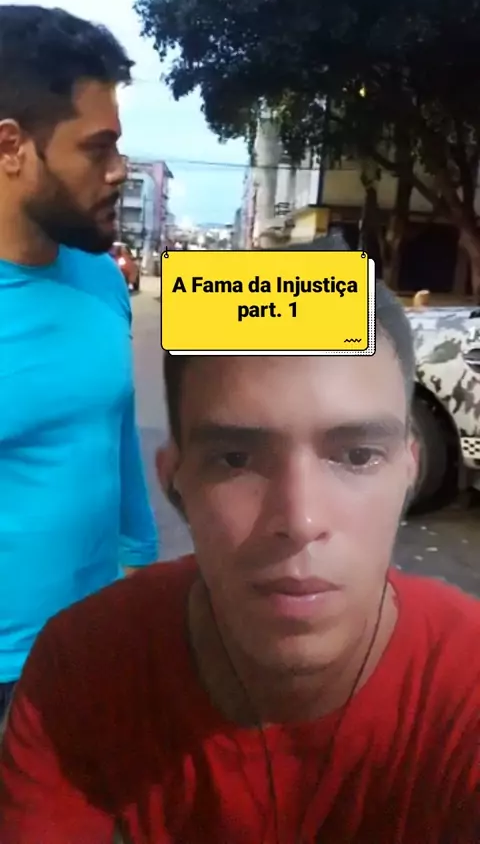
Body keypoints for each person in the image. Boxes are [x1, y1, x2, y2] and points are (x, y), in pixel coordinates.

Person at [1, 280, 480, 844]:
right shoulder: (83, 667)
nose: (299, 519)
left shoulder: (467, 687)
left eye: (357, 456)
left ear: (409, 472)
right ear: (174, 482)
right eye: (235, 459)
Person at [0, 6, 159, 723]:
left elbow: (115, 433)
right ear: (12, 147)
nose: (119, 171)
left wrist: (139, 572)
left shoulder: (99, 277)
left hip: (93, 649)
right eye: (98, 149)